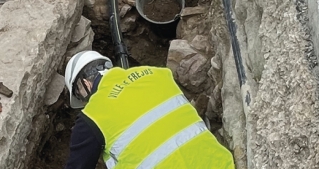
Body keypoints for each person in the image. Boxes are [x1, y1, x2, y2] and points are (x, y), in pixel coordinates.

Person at [62, 50, 235, 169]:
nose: (86, 102)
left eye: (81, 97)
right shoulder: (158, 74)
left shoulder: (92, 115)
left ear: (84, 84)